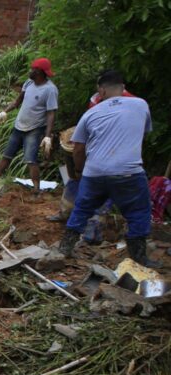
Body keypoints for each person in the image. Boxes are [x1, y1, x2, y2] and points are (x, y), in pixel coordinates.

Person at [60, 69, 156, 267]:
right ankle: (138, 256)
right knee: (138, 211)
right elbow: (141, 134)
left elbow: (78, 149)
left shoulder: (90, 113)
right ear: (122, 88)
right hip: (128, 172)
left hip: (94, 172)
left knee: (82, 208)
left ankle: (65, 249)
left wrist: (80, 171)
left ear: (101, 92)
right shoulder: (140, 105)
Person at [0, 58, 59, 190]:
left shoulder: (50, 90)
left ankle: (36, 190)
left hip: (34, 129)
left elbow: (51, 113)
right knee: (7, 155)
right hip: (19, 126)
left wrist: (47, 136)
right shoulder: (29, 83)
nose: (30, 71)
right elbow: (18, 101)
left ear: (40, 72)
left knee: (30, 160)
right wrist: (4, 112)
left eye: (33, 69)